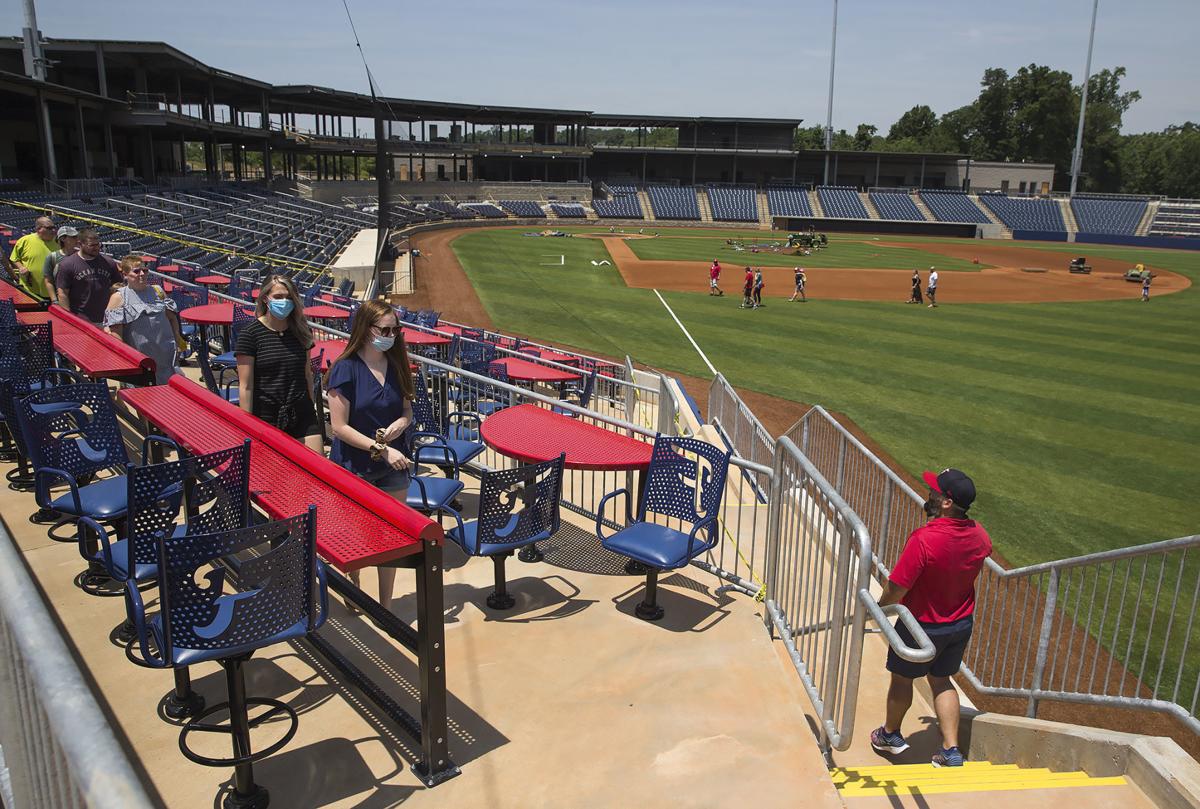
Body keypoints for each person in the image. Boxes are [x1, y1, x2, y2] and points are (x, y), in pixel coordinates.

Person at [870, 468, 991, 768]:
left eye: (936, 491)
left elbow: (898, 586)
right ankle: (951, 751)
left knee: (902, 679)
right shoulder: (980, 535)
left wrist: (880, 608)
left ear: (947, 502)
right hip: (959, 624)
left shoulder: (925, 539)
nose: (930, 493)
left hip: (920, 625)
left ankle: (890, 734)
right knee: (941, 680)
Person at [326, 299, 416, 611]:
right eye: (385, 329)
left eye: (395, 329)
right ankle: (355, 589)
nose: (391, 335)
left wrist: (399, 425)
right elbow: (338, 427)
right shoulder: (345, 369)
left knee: (389, 539)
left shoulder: (398, 364)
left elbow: (407, 410)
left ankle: (385, 607)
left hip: (394, 464)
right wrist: (381, 448)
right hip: (355, 466)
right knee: (355, 535)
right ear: (366, 330)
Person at [235, 275, 324, 452]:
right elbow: (246, 386)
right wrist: (247, 426)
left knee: (316, 469)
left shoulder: (302, 331)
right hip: (266, 416)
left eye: (289, 297)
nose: (284, 301)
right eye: (278, 297)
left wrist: (311, 408)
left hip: (302, 413)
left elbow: (307, 374)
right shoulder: (250, 335)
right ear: (265, 298)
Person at [103, 256, 185, 385]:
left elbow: (172, 318)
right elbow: (115, 334)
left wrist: (178, 339)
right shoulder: (118, 298)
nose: (142, 274)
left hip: (166, 357)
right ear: (125, 274)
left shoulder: (158, 291)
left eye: (145, 270)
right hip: (140, 361)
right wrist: (126, 359)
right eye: (136, 271)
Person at [55, 229, 123, 324]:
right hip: (81, 319)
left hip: (106, 318)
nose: (96, 248)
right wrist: (69, 318)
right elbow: (62, 293)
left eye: (98, 245)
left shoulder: (109, 262)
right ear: (80, 244)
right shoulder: (67, 264)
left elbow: (118, 287)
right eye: (91, 245)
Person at [9, 216, 57, 302]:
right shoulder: (25, 240)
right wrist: (21, 267)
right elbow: (14, 258)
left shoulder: (59, 242)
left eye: (54, 227)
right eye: (49, 228)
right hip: (29, 290)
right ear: (39, 229)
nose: (53, 230)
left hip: (52, 292)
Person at [42, 225, 80, 300]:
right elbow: (48, 281)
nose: (77, 239)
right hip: (61, 299)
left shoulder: (81, 255)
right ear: (63, 239)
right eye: (73, 237)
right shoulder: (52, 257)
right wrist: (54, 300)